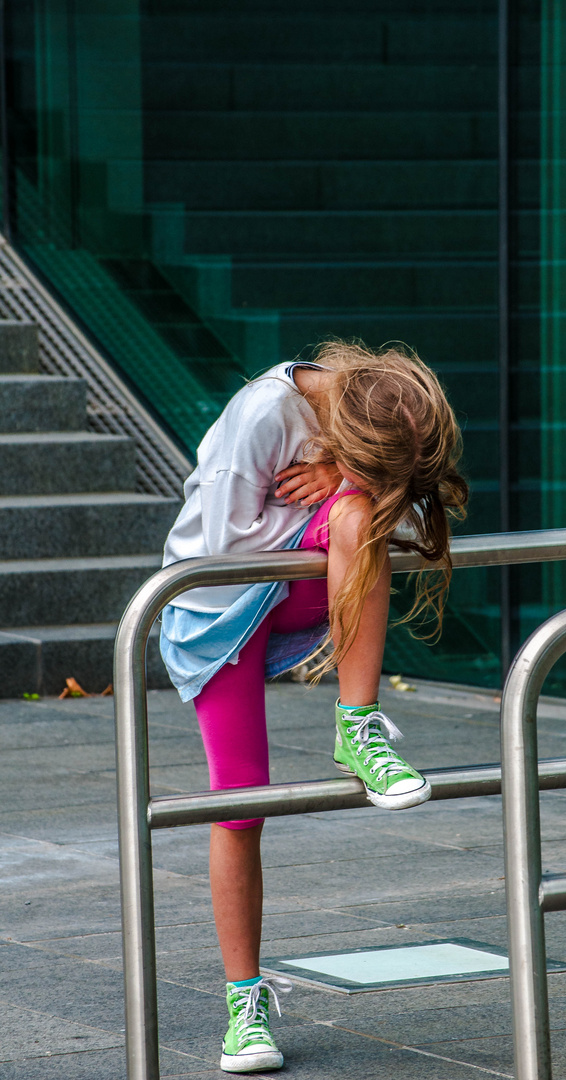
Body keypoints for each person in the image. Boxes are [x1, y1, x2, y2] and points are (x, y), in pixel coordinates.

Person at [160, 340, 468, 1073]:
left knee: (360, 520)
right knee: (238, 808)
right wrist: (338, 495)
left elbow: (376, 511)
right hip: (218, 604)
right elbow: (227, 542)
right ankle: (245, 1004)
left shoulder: (380, 399)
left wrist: (342, 485)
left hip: (294, 581)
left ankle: (356, 728)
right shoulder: (262, 414)